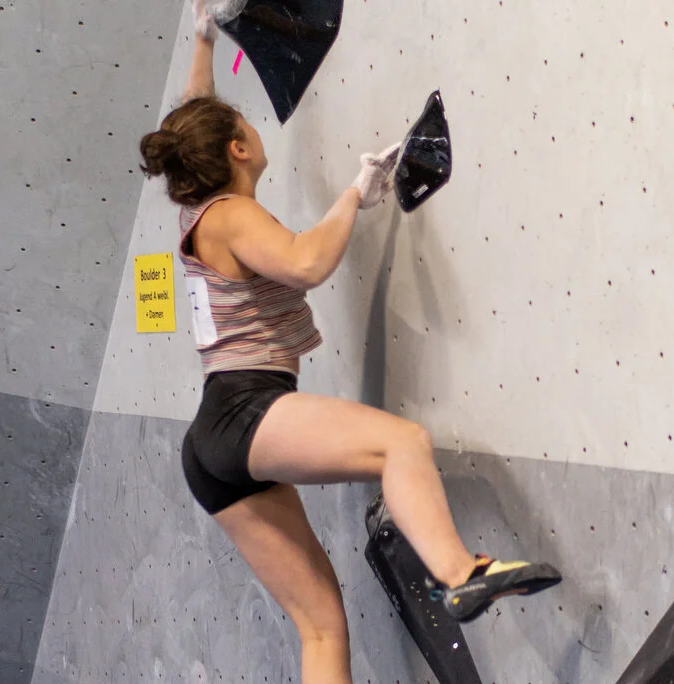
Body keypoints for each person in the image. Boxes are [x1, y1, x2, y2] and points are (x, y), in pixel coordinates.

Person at [137, 2, 562, 681]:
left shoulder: (197, 208)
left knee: (321, 626)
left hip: (214, 442)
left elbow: (195, 112)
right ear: (237, 150)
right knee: (403, 444)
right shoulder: (234, 214)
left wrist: (203, 39)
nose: (248, 122)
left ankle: (459, 576)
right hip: (247, 410)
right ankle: (460, 574)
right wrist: (356, 192)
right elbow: (305, 263)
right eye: (242, 124)